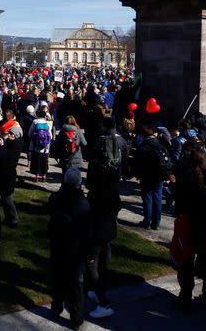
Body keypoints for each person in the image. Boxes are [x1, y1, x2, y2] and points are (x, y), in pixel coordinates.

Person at [173, 142, 206, 308]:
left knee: (186, 262)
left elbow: (178, 196)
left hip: (190, 222)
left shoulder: (188, 176)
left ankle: (185, 296)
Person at [85, 131, 123, 318]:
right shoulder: (111, 191)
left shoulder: (97, 196)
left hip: (99, 231)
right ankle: (98, 291)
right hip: (107, 230)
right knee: (101, 264)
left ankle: (104, 302)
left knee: (92, 264)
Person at [47, 167, 90, 329]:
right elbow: (86, 227)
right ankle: (76, 317)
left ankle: (57, 307)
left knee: (58, 278)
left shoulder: (57, 197)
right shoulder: (81, 202)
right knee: (76, 283)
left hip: (59, 243)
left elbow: (50, 209)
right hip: (74, 247)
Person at [133, 121, 172, 230]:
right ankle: (156, 222)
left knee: (147, 198)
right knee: (157, 198)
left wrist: (137, 173)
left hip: (146, 176)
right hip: (159, 176)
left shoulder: (143, 146)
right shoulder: (160, 144)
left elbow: (137, 162)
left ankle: (147, 222)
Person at [29, 108, 53, 182]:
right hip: (45, 146)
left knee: (36, 160)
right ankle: (44, 175)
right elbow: (50, 136)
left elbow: (30, 133)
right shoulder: (47, 123)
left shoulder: (35, 121)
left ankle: (37, 175)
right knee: (44, 161)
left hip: (36, 145)